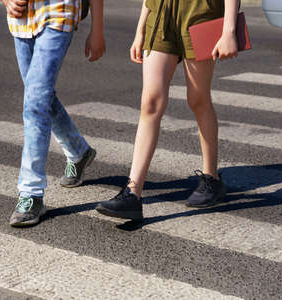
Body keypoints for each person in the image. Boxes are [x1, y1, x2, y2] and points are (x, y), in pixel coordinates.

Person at [96, 0, 239, 220]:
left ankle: (212, 179)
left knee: (198, 99)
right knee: (151, 102)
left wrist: (229, 30)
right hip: (161, 16)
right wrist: (140, 29)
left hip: (201, 13)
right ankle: (133, 193)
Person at [2, 0, 105, 226]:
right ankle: (78, 151)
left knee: (35, 101)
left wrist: (97, 29)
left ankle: (31, 193)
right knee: (38, 96)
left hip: (59, 9)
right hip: (22, 16)